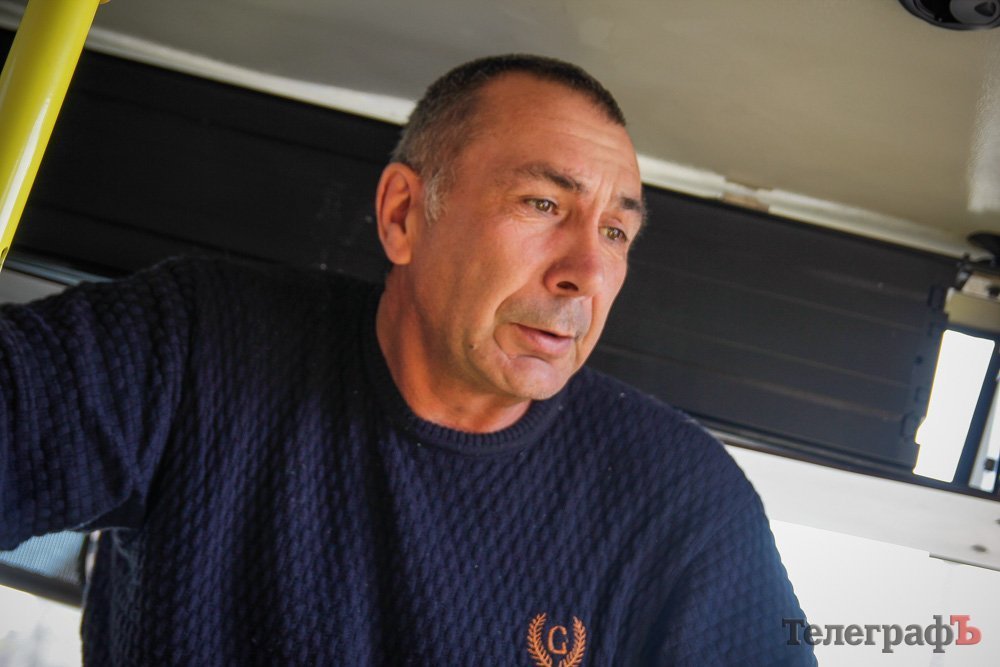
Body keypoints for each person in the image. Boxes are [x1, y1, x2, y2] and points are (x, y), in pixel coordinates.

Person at [0, 54, 814, 665]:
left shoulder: (681, 502)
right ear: (402, 215)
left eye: (615, 231)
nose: (588, 273)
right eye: (543, 203)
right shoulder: (197, 343)